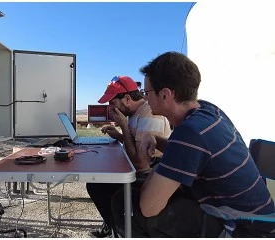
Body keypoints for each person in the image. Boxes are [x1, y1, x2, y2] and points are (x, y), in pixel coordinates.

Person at [111, 51, 275, 237]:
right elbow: (190, 153)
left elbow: (149, 208)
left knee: (128, 204)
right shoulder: (207, 111)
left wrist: (152, 172)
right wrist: (156, 140)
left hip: (245, 229)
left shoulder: (192, 132)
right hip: (259, 218)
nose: (145, 98)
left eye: (146, 92)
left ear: (165, 95)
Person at [86, 75, 171, 237]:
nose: (110, 108)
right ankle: (112, 225)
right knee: (99, 180)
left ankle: (117, 229)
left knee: (97, 185)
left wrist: (123, 127)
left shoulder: (149, 115)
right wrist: (119, 135)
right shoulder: (135, 115)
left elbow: (140, 163)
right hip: (138, 170)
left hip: (148, 175)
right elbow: (133, 141)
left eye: (112, 102)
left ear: (126, 98)